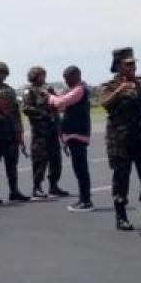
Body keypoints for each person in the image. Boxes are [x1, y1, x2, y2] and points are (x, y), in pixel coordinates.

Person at [100, 48, 141, 230]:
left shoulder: (139, 83)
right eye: (128, 64)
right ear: (118, 65)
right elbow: (105, 103)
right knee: (121, 179)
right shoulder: (110, 85)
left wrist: (136, 84)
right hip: (120, 141)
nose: (132, 67)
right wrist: (119, 90)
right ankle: (121, 217)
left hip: (140, 139)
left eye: (134, 63)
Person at [44, 66, 92, 212]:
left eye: (67, 77)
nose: (66, 80)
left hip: (77, 134)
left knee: (81, 169)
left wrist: (49, 96)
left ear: (76, 76)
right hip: (73, 134)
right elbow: (61, 103)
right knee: (79, 169)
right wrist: (54, 97)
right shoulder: (74, 89)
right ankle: (84, 199)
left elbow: (60, 103)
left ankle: (86, 201)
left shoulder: (79, 89)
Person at [0, 61, 29, 203]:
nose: (0, 75)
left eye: (3, 73)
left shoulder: (10, 90)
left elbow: (16, 112)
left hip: (10, 131)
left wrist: (19, 131)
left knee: (12, 163)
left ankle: (14, 190)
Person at [22, 67, 68, 198]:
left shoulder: (49, 89)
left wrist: (59, 124)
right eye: (41, 75)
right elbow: (25, 108)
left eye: (44, 75)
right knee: (40, 160)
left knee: (56, 160)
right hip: (40, 132)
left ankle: (54, 186)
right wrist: (42, 113)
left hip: (52, 129)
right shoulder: (29, 91)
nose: (43, 77)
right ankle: (37, 187)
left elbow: (56, 104)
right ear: (34, 76)